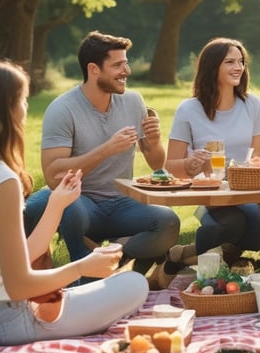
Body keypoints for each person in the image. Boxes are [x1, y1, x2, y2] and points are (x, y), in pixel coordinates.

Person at [0, 59, 148, 345]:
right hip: (1, 322)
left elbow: (22, 256)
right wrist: (82, 267)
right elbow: (20, 284)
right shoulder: (0, 180)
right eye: (23, 99)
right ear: (6, 108)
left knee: (98, 289)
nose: (25, 108)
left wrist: (56, 203)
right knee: (134, 284)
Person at [23, 31, 180, 282]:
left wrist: (154, 140)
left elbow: (156, 163)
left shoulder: (133, 101)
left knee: (168, 222)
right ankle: (82, 269)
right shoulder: (63, 109)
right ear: (94, 69)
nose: (126, 70)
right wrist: (106, 149)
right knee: (67, 203)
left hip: (122, 201)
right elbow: (53, 174)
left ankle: (115, 259)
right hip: (82, 200)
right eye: (117, 65)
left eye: (126, 62)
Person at [158, 37, 260, 283]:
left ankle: (183, 254)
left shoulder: (252, 105)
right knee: (232, 225)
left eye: (241, 62)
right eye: (230, 62)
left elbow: (259, 157)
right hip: (211, 194)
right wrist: (189, 164)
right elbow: (170, 166)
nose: (238, 67)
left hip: (247, 190)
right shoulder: (189, 110)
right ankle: (220, 258)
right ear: (211, 66)